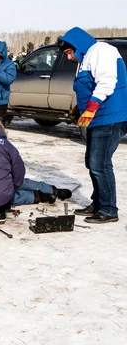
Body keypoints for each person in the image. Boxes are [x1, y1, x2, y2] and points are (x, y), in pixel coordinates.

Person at [58, 27, 127, 224]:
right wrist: (79, 109)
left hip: (110, 116)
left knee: (100, 163)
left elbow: (106, 82)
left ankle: (108, 210)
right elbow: (87, 87)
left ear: (77, 46)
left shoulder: (101, 51)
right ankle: (98, 203)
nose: (69, 58)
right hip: (99, 117)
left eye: (69, 53)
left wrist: (91, 107)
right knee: (93, 162)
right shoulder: (86, 58)